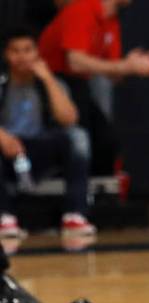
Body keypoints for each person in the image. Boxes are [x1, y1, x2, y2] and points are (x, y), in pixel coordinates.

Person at [39, 0, 149, 177]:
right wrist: (125, 66)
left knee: (107, 140)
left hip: (79, 84)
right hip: (51, 81)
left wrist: (136, 66)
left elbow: (113, 70)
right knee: (79, 137)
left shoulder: (111, 21)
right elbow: (75, 62)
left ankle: (101, 190)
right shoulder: (82, 9)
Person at [0, 26, 93, 238]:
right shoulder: (2, 82)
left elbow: (69, 119)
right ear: (6, 54)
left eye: (28, 50)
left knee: (78, 136)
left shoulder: (51, 82)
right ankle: (4, 217)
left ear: (37, 53)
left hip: (40, 149)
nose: (22, 57)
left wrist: (48, 79)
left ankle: (74, 215)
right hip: (7, 150)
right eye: (16, 51)